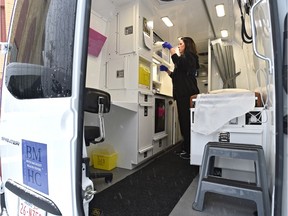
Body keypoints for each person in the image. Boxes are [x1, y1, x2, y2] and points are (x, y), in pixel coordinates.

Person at [160, 37, 200, 159]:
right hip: (183, 95)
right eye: (177, 44)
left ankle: (190, 151)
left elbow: (179, 62)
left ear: (187, 45)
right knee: (184, 123)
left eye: (180, 44)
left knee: (187, 123)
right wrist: (167, 71)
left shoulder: (190, 57)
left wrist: (171, 49)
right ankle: (187, 148)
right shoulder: (185, 60)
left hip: (187, 95)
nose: (178, 46)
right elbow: (178, 77)